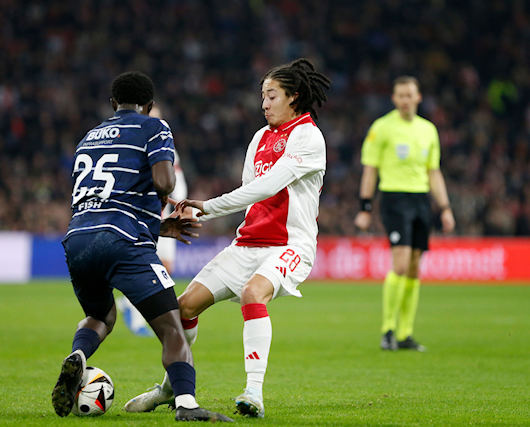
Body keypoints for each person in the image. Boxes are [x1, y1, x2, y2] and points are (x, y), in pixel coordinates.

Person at [124, 58, 330, 418]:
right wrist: (197, 210)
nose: (264, 104)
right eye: (262, 96)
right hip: (247, 244)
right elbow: (250, 191)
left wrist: (206, 207)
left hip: (290, 246)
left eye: (272, 96)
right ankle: (170, 389)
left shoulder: (308, 136)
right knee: (183, 308)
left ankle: (253, 392)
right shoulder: (260, 137)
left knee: (253, 293)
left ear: (294, 96)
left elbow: (267, 186)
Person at [51, 71, 233, 422]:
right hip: (124, 242)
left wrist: (156, 226)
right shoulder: (154, 126)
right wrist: (165, 196)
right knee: (172, 329)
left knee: (100, 315)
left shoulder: (88, 137)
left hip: (78, 238)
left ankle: (79, 355)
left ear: (113, 103)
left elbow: (102, 197)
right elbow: (165, 181)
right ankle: (187, 405)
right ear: (149, 105)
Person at [353, 76, 455, 352]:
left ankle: (405, 333)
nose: (405, 100)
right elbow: (370, 169)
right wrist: (365, 207)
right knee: (400, 264)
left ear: (418, 97)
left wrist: (445, 207)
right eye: (400, 95)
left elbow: (434, 172)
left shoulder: (428, 130)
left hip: (421, 200)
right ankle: (387, 330)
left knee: (413, 267)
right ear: (394, 98)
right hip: (394, 198)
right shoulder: (382, 128)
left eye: (410, 95)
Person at [116, 104, 188, 337]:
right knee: (149, 267)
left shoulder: (165, 143)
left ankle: (129, 303)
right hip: (146, 215)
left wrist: (180, 205)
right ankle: (137, 318)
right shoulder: (136, 144)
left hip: (166, 215)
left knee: (166, 267)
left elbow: (176, 177)